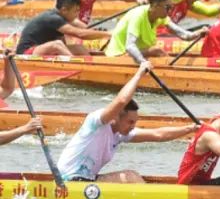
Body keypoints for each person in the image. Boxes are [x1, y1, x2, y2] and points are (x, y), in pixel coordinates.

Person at [55, 62, 198, 183]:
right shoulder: (97, 122)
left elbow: (158, 134)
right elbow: (122, 100)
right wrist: (139, 73)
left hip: (86, 180)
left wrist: (191, 128)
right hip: (68, 181)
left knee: (132, 176)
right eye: (130, 122)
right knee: (131, 178)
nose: (132, 126)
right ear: (116, 116)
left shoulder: (120, 134)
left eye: (134, 122)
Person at [103, 0, 207, 63]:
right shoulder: (138, 16)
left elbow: (184, 36)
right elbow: (130, 46)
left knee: (157, 51)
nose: (170, 11)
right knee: (157, 51)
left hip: (135, 53)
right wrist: (143, 62)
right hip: (119, 55)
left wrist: (198, 33)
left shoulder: (161, 17)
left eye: (171, 7)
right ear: (156, 6)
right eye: (168, 7)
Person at [15, 0, 112, 56]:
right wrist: (108, 34)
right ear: (64, 10)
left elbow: (81, 31)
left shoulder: (61, 17)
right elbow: (80, 34)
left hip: (41, 50)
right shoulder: (53, 18)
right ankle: (77, 66)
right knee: (57, 45)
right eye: (76, 11)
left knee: (79, 48)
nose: (78, 14)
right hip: (26, 53)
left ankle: (90, 67)